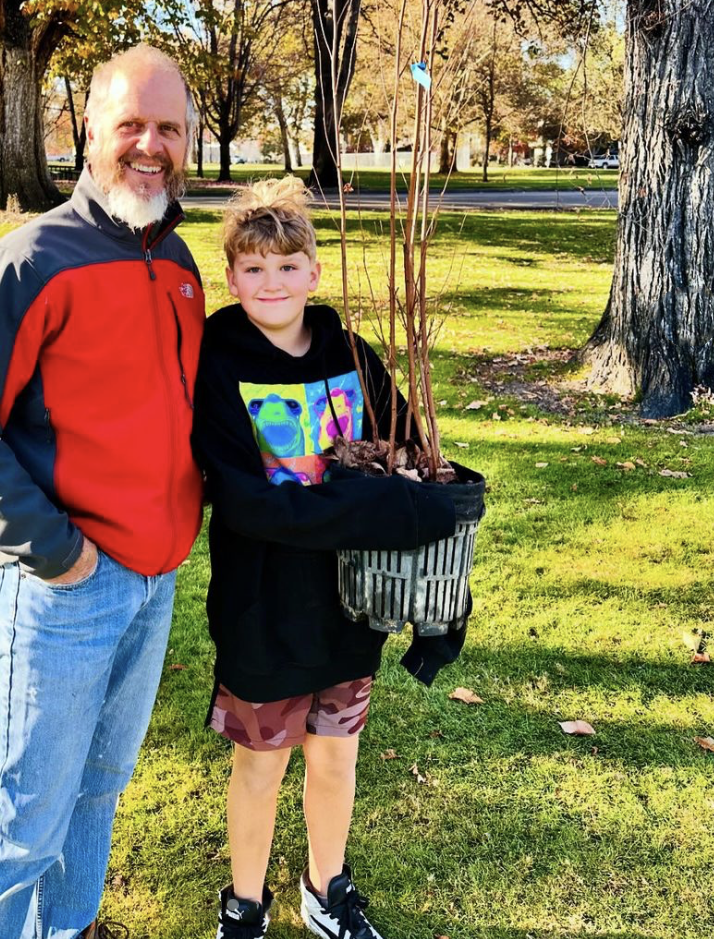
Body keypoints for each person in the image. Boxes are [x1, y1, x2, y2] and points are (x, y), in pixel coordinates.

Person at [0, 44, 205, 939]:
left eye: (170, 128)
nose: (150, 145)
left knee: (97, 795)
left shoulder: (184, 263)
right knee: (22, 824)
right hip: (64, 592)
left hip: (154, 589)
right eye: (131, 126)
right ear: (90, 134)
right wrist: (61, 556)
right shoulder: (31, 260)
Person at [192, 179, 469, 939]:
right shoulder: (218, 361)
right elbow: (247, 500)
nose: (272, 283)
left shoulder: (352, 354)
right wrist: (368, 508)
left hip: (352, 600)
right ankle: (244, 906)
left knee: (336, 757)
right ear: (232, 278)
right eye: (253, 268)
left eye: (288, 267)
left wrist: (434, 550)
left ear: (314, 272)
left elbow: (409, 456)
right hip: (264, 606)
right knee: (261, 764)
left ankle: (326, 889)